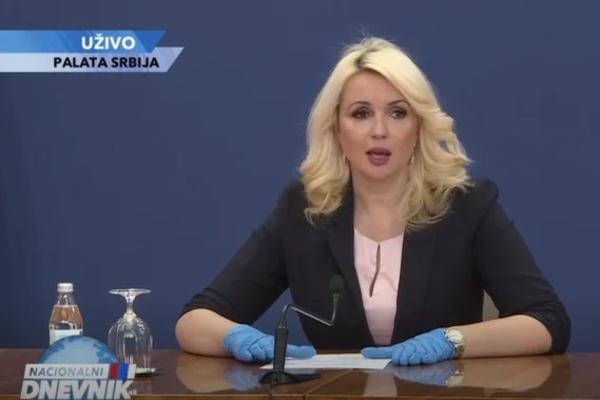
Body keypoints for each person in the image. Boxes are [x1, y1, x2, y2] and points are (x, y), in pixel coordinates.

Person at [175, 37, 571, 365]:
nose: (379, 131)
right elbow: (195, 320)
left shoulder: (467, 205)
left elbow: (547, 321)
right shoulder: (305, 210)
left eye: (397, 113)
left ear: (418, 127)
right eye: (361, 113)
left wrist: (452, 341)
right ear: (336, 127)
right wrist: (238, 338)